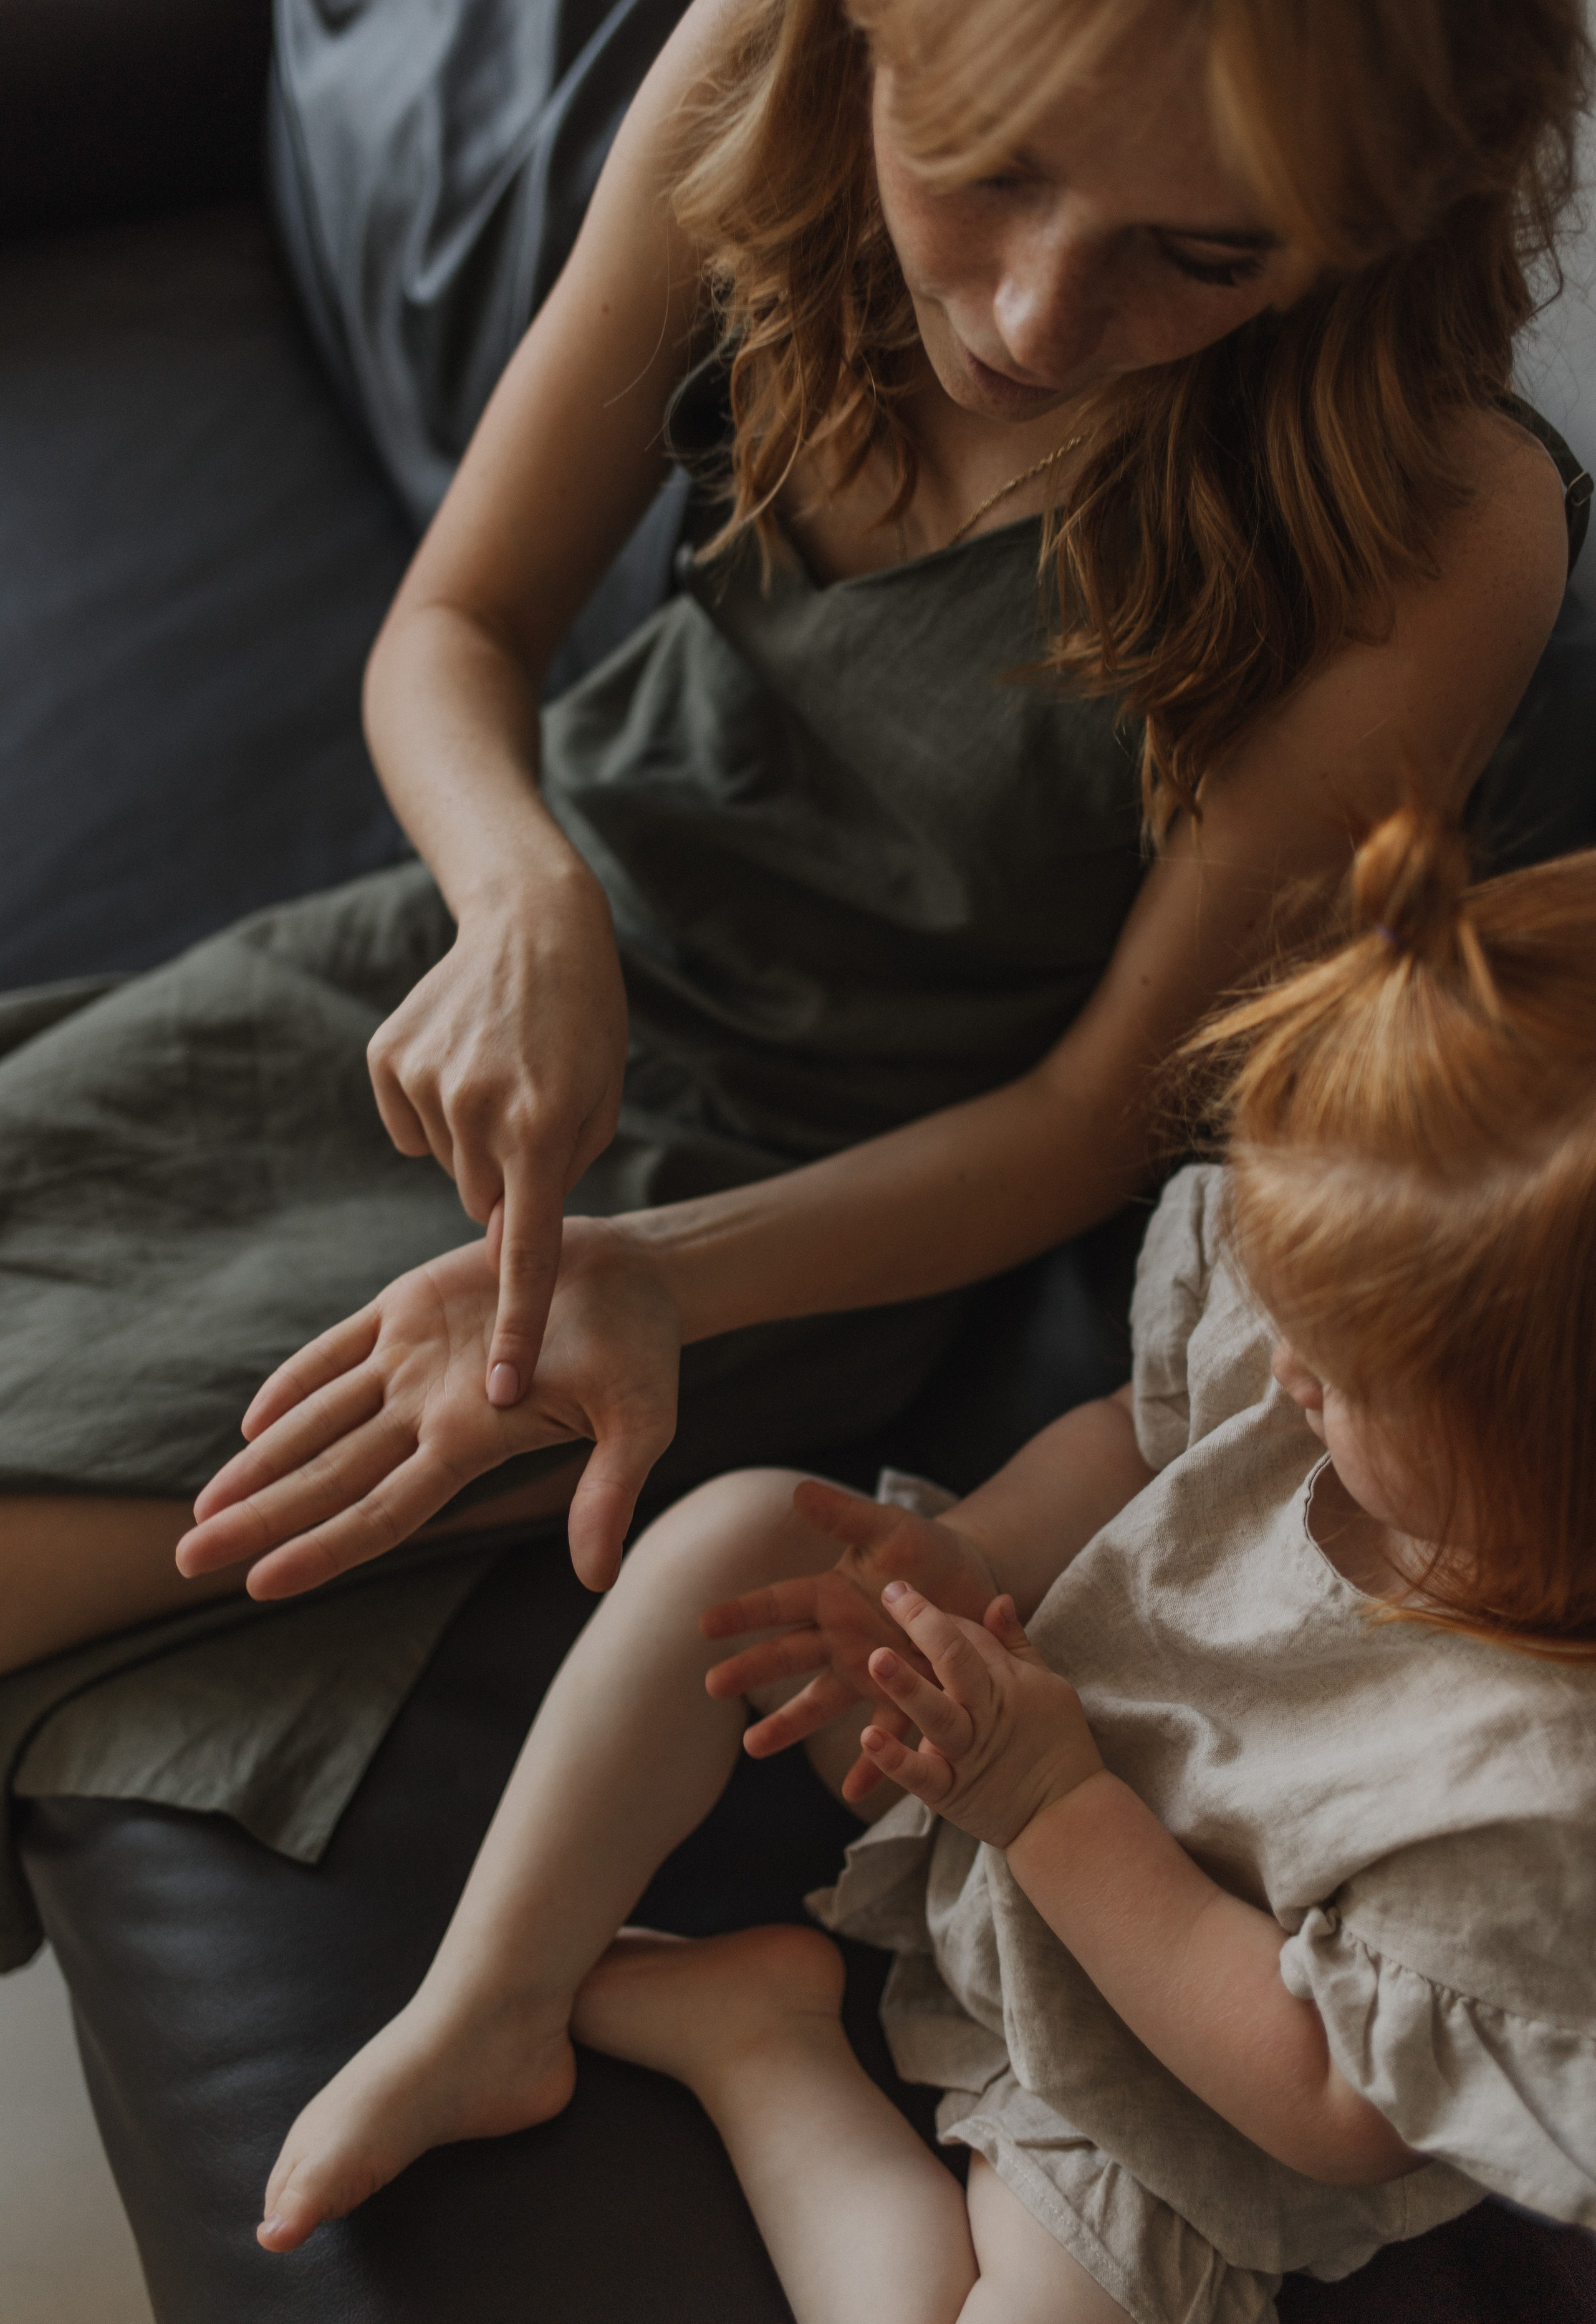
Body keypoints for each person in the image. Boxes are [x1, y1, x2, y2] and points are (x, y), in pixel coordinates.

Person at [0, 0, 1583, 1864]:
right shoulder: (777, 35)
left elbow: (1097, 1118)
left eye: (1208, 254)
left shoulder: (1440, 519)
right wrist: (518, 905)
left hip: (794, 1202)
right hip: (489, 946)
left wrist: (658, 1274)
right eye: (989, 167)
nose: (1034, 314)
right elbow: (458, 625)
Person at [256, 811, 1596, 2324]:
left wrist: (1052, 1806)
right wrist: (972, 1553)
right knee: (749, 1535)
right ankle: (482, 2010)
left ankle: (761, 2050)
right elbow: (1134, 1435)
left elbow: (1323, 2105)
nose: (1281, 1371)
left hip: (1162, 2087)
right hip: (998, 1708)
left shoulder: (1537, 1796)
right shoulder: (1343, 1340)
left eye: (1339, 1375)